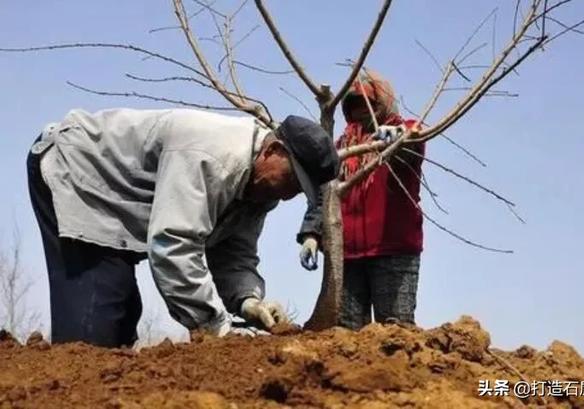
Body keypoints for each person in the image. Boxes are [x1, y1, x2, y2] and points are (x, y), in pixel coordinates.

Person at [27, 108, 339, 347]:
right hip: (79, 170)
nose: (287, 195)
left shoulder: (260, 188)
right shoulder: (212, 158)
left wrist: (249, 301)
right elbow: (173, 245)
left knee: (120, 317)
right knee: (96, 324)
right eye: (291, 181)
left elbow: (234, 252)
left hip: (122, 203)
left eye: (298, 192)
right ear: (272, 151)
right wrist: (213, 326)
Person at [297, 71, 425, 330]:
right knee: (346, 332)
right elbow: (325, 192)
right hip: (347, 256)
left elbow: (416, 138)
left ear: (384, 103)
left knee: (395, 331)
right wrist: (312, 232)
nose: (361, 111)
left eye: (369, 103)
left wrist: (399, 137)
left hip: (392, 251)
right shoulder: (341, 146)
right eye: (354, 105)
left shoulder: (401, 132)